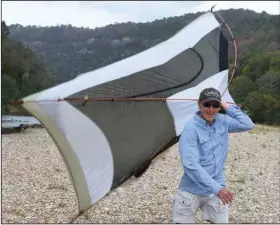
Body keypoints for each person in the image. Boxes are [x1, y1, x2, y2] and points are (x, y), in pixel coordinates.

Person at [172, 87, 255, 224]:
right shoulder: (190, 129)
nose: (211, 109)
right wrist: (218, 189)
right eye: (207, 104)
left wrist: (226, 105)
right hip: (192, 188)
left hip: (217, 186)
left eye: (215, 105)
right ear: (199, 105)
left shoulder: (223, 121)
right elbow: (191, 165)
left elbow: (248, 124)